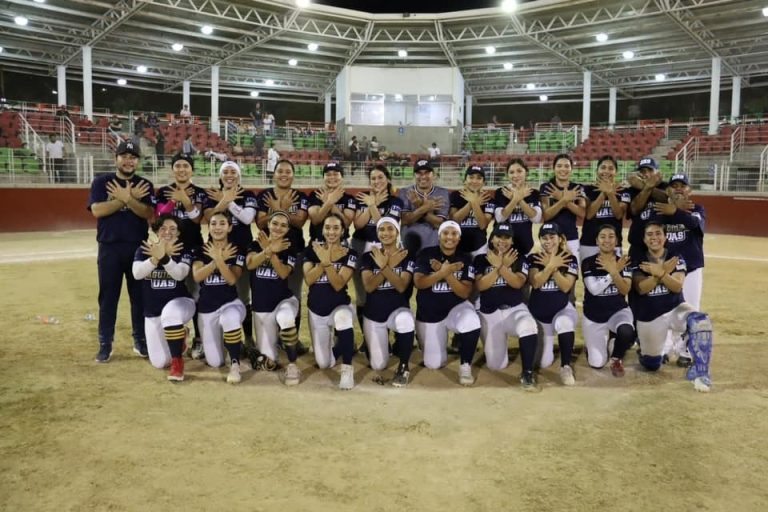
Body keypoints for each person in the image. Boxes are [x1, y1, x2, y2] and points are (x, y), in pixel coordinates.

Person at [88, 141, 155, 363]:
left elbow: (147, 212)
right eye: (124, 156)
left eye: (133, 157)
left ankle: (140, 341)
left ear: (138, 161)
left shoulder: (145, 184)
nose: (129, 161)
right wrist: (124, 198)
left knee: (139, 298)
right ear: (116, 158)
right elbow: (98, 210)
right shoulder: (102, 182)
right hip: (110, 248)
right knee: (108, 298)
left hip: (138, 248)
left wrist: (128, 198)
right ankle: (105, 344)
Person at [630, 221, 713, 392]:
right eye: (650, 234)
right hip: (650, 315)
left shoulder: (676, 256)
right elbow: (641, 288)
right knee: (652, 365)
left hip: (675, 308)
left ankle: (701, 371)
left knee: (700, 321)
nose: (655, 238)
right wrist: (663, 273)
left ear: (665, 237)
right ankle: (646, 354)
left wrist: (659, 272)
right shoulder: (638, 258)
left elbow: (677, 286)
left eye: (658, 233)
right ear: (644, 240)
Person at [413, 221, 481, 386]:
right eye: (446, 233)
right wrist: (442, 273)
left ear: (459, 238)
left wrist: (447, 274)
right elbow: (419, 283)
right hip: (429, 314)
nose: (449, 237)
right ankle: (430, 343)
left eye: (454, 234)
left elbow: (464, 292)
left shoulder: (465, 258)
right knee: (433, 364)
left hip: (455, 310)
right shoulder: (426, 253)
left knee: (471, 320)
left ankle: (465, 366)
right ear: (439, 236)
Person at [154, 153, 208, 357]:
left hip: (194, 248)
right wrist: (172, 203)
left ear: (192, 170)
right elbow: (159, 218)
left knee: (196, 294)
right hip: (169, 250)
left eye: (186, 165)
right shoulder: (163, 192)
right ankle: (177, 333)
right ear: (172, 169)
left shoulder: (200, 193)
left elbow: (196, 219)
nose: (182, 169)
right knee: (171, 292)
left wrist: (185, 201)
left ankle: (199, 339)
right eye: (178, 165)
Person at [474, 223, 539, 390]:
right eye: (498, 237)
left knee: (528, 325)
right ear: (492, 238)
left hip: (514, 310)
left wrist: (500, 266)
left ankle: (527, 373)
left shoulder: (519, 258)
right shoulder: (481, 259)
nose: (502, 241)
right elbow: (481, 285)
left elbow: (517, 283)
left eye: (507, 238)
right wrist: (499, 267)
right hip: (490, 313)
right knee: (496, 365)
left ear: (512, 240)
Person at [203, 162, 258, 355]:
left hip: (241, 253)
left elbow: (247, 219)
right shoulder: (212, 195)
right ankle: (211, 338)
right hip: (215, 252)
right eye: (225, 172)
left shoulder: (248, 195)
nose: (229, 175)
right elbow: (209, 217)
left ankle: (248, 337)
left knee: (243, 296)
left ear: (239, 175)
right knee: (214, 293)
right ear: (220, 176)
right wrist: (223, 201)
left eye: (233, 171)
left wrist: (229, 201)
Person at [132, 215, 195, 381]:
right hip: (153, 311)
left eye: (173, 228)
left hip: (181, 304)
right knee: (159, 362)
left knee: (170, 313)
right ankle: (180, 337)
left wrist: (165, 258)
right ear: (156, 231)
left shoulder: (184, 250)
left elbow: (180, 274)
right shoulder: (144, 250)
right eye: (163, 228)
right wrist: (155, 257)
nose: (168, 232)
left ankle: (177, 364)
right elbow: (137, 274)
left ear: (178, 233)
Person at [256, 160, 309, 355]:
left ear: (293, 175)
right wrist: (280, 208)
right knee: (269, 290)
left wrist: (277, 210)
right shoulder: (263, 195)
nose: (284, 174)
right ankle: (272, 335)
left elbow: (300, 221)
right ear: (274, 173)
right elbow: (260, 222)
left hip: (294, 252)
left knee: (293, 295)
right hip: (268, 250)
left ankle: (292, 341)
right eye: (280, 171)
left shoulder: (301, 196)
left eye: (288, 171)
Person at [654, 174, 706, 366]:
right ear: (667, 190)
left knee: (691, 309)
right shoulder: (660, 212)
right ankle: (666, 347)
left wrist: (675, 211)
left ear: (689, 190)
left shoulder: (697, 209)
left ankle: (685, 349)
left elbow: (695, 224)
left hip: (691, 269)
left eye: (682, 186)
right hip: (667, 269)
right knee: (665, 309)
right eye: (673, 186)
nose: (678, 189)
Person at [303, 214, 358, 390]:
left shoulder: (350, 254)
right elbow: (309, 280)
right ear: (323, 230)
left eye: (336, 228)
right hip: (317, 310)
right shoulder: (311, 251)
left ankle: (347, 370)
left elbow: (338, 284)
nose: (331, 231)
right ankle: (345, 345)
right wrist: (326, 261)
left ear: (342, 231)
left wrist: (326, 263)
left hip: (339, 305)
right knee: (324, 363)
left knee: (343, 318)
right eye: (327, 227)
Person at [359, 217, 416, 387]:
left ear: (398, 232)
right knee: (379, 365)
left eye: (390, 229)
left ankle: (404, 366)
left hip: (397, 310)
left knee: (406, 320)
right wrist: (389, 266)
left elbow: (401, 286)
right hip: (374, 313)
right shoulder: (368, 257)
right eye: (382, 229)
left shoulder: (407, 255)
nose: (386, 233)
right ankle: (382, 346)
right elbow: (369, 287)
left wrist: (384, 266)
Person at [246, 211, 301, 384]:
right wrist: (268, 249)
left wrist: (273, 253)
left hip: (284, 301)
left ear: (288, 229)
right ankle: (276, 341)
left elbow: (284, 273)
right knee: (269, 360)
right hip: (262, 306)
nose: (278, 228)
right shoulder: (255, 244)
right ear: (268, 225)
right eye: (275, 223)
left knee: (285, 318)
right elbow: (250, 263)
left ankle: (293, 364)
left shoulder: (289, 247)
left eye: (283, 225)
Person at [192, 211, 247, 384]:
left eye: (222, 223)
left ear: (229, 227)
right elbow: (197, 276)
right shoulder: (201, 249)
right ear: (208, 227)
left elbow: (231, 279)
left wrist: (220, 260)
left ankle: (235, 363)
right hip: (207, 307)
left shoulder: (237, 250)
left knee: (230, 318)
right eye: (213, 224)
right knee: (215, 362)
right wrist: (216, 260)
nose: (217, 227)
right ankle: (231, 340)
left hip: (230, 303)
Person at [351, 164, 404, 336]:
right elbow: (358, 224)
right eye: (373, 178)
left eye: (380, 177)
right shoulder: (362, 198)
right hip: (360, 245)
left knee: (385, 288)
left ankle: (387, 333)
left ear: (388, 179)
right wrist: (370, 205)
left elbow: (385, 227)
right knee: (362, 293)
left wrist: (373, 206)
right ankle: (367, 339)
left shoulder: (396, 202)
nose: (377, 181)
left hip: (385, 248)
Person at [526, 223, 579, 386]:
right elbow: (535, 283)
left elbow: (565, 286)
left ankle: (565, 366)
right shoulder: (533, 258)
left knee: (565, 323)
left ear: (560, 238)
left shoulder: (570, 259)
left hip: (561, 310)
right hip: (539, 315)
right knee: (542, 362)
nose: (548, 241)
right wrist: (550, 265)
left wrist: (553, 269)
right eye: (544, 237)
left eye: (552, 237)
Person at [581, 224, 635, 377]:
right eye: (603, 237)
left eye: (611, 236)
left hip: (617, 312)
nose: (607, 240)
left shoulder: (624, 262)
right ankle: (596, 344)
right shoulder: (588, 262)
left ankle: (616, 357)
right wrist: (613, 272)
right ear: (597, 241)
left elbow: (625, 290)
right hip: (593, 316)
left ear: (616, 240)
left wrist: (614, 270)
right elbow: (594, 290)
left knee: (626, 331)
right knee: (597, 363)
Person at [579, 155, 630, 262]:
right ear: (597, 170)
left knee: (613, 277)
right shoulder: (587, 189)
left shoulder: (623, 191)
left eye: (611, 168)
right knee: (590, 278)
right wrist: (603, 192)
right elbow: (588, 215)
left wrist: (610, 193)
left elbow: (619, 214)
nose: (606, 171)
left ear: (616, 172)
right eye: (603, 167)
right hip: (589, 243)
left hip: (613, 244)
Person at [540, 154, 586, 262]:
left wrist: (561, 198)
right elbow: (546, 215)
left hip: (571, 237)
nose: (563, 169)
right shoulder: (546, 187)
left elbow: (582, 213)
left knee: (571, 274)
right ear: (554, 168)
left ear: (571, 169)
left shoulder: (577, 188)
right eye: (559, 166)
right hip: (549, 238)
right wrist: (564, 200)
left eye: (566, 166)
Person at [398, 159, 450, 254]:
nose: (423, 176)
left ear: (433, 175)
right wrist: (425, 208)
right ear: (414, 175)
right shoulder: (404, 192)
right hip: (408, 247)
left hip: (433, 247)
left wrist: (418, 206)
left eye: (427, 173)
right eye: (419, 173)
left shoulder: (442, 193)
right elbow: (405, 220)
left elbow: (439, 224)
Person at [627, 157, 668, 260]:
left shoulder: (666, 186)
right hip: (638, 246)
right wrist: (647, 187)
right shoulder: (632, 190)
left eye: (650, 170)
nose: (646, 174)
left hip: (661, 247)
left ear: (658, 172)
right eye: (642, 171)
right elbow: (634, 209)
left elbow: (667, 199)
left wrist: (645, 186)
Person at [449, 165, 494, 257]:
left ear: (483, 182)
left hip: (480, 248)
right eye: (471, 177)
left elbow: (483, 225)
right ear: (465, 180)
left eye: (479, 178)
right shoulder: (455, 196)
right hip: (457, 247)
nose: (474, 181)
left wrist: (473, 202)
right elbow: (454, 221)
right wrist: (472, 202)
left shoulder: (489, 199)